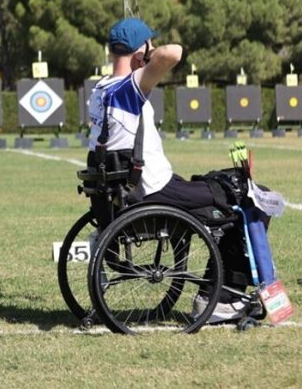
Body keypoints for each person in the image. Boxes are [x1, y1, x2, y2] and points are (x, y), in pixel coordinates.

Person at [86, 18, 258, 323]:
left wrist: (142, 49)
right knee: (244, 195)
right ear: (139, 54)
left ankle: (221, 291)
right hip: (154, 191)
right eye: (148, 45)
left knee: (216, 182)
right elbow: (174, 53)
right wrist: (149, 55)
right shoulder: (129, 86)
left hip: (127, 192)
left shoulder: (100, 90)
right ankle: (222, 298)